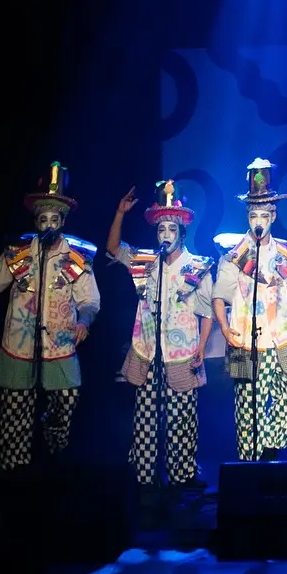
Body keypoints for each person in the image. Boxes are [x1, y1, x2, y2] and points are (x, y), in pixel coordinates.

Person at [0, 162, 102, 472]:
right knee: (15, 410)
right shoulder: (20, 251)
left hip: (61, 344)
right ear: (36, 221)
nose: (49, 224)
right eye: (43, 219)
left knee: (66, 400)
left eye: (55, 219)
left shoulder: (77, 256)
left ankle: (54, 450)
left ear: (63, 221)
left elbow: (91, 301)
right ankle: (12, 471)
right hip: (20, 343)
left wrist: (84, 321)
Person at [104, 180, 216, 487]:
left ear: (182, 233)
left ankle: (182, 477)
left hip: (182, 354)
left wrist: (202, 348)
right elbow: (114, 249)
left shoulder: (198, 266)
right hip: (149, 351)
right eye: (160, 229)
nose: (164, 235)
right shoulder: (147, 263)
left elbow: (207, 313)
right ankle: (144, 478)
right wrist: (119, 213)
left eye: (170, 230)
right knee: (146, 421)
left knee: (182, 421)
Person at [212, 157, 287, 461]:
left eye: (264, 214)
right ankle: (248, 463)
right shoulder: (235, 255)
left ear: (273, 216)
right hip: (244, 340)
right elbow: (219, 297)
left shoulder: (284, 252)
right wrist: (225, 327)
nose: (259, 220)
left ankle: (271, 447)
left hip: (279, 338)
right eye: (254, 214)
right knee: (248, 405)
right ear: (248, 216)